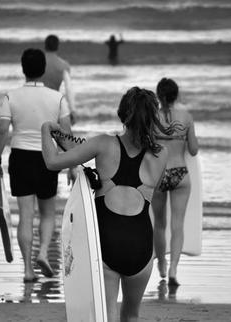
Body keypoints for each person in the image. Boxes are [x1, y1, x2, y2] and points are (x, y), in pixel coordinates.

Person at [41, 87, 178, 322]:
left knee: (108, 316)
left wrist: (46, 130)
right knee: (132, 316)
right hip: (142, 246)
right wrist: (65, 138)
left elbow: (53, 162)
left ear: (122, 114)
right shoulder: (161, 154)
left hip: (108, 243)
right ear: (152, 117)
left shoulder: (104, 144)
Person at [0, 48, 73, 283]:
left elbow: (3, 130)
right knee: (47, 213)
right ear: (43, 69)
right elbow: (65, 134)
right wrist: (73, 162)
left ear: (23, 69)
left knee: (26, 216)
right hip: (48, 158)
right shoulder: (57, 98)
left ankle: (28, 269)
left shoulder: (11, 96)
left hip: (21, 158)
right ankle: (44, 252)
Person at [151, 78, 198, 287]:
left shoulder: (152, 118)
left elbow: (147, 147)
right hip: (180, 173)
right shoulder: (186, 117)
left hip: (159, 174)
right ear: (176, 95)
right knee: (177, 224)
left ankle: (161, 262)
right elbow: (194, 150)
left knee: (159, 224)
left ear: (158, 95)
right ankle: (173, 269)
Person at [41, 34, 76, 124]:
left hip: (37, 103)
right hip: (54, 105)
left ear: (45, 46)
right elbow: (68, 89)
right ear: (57, 46)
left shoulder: (37, 63)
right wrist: (72, 110)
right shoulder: (63, 65)